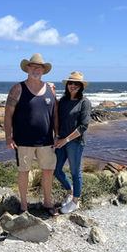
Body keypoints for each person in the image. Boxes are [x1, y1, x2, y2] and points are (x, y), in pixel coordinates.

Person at [4, 53, 59, 216]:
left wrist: (57, 134)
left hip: (46, 141)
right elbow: (8, 114)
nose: (36, 69)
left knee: (48, 170)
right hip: (23, 141)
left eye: (39, 67)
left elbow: (55, 114)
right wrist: (8, 137)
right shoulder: (17, 89)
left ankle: (48, 203)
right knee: (24, 172)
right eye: (33, 66)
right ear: (27, 68)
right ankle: (24, 204)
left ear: (43, 70)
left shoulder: (51, 89)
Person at [54, 71, 91, 214]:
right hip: (61, 140)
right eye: (70, 83)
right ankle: (70, 191)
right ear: (67, 85)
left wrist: (66, 140)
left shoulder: (84, 102)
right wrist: (57, 136)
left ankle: (75, 201)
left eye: (76, 84)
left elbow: (84, 126)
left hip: (75, 142)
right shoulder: (63, 101)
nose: (73, 86)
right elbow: (57, 119)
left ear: (81, 86)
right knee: (56, 170)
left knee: (75, 172)